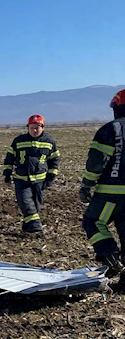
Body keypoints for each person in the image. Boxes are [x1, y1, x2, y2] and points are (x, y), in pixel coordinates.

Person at [80, 88, 125, 276]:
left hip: (111, 192)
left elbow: (96, 162)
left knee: (94, 221)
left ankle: (111, 257)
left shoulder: (111, 129)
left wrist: (86, 185)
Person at [2, 114, 60, 233]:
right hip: (21, 179)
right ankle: (36, 227)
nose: (34, 130)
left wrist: (50, 177)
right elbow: (9, 158)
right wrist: (7, 174)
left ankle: (28, 228)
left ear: (43, 127)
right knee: (26, 202)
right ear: (27, 127)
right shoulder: (18, 141)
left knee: (36, 206)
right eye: (32, 127)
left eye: (37, 127)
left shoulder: (50, 142)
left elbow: (55, 160)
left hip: (40, 181)